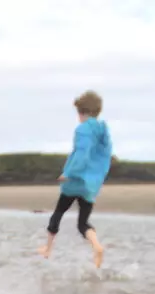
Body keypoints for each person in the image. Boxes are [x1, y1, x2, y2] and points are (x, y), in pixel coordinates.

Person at [40, 91, 112, 268]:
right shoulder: (103, 130)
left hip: (75, 181)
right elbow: (104, 157)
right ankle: (96, 245)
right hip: (91, 184)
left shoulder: (83, 129)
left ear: (82, 111)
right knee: (82, 223)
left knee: (58, 213)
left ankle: (48, 249)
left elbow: (81, 154)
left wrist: (69, 173)